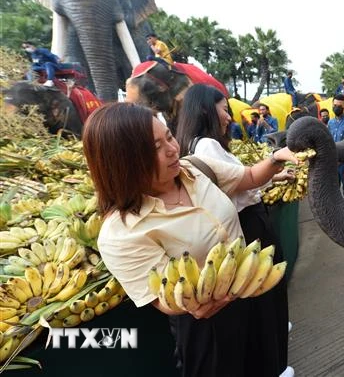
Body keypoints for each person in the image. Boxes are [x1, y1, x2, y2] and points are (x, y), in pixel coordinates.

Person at [82, 102, 299, 376]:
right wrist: (201, 298)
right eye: (154, 148)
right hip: (208, 326)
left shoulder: (196, 169)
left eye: (169, 137)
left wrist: (277, 157)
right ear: (123, 162)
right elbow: (166, 301)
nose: (172, 150)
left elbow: (250, 176)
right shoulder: (121, 233)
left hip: (252, 293)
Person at [176, 84, 294, 376]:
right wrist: (276, 161)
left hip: (245, 220)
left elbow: (244, 181)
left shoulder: (192, 144)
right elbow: (247, 183)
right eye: (224, 109)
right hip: (249, 223)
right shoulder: (206, 145)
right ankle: (273, 363)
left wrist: (274, 177)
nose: (228, 117)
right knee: (265, 300)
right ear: (206, 109)